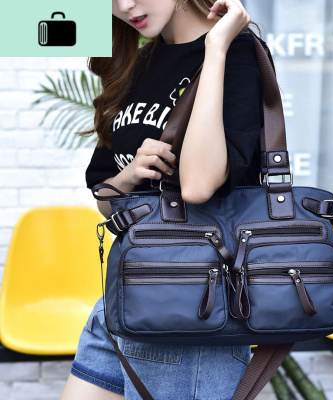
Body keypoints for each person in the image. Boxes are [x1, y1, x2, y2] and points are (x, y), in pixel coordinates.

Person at [60, 0, 264, 399]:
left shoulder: (234, 54)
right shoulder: (137, 63)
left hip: (192, 307)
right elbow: (107, 201)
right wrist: (131, 173)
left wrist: (216, 47)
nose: (124, 6)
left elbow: (197, 186)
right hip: (123, 298)